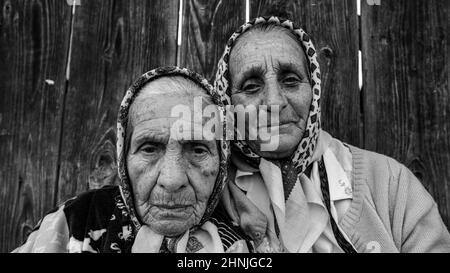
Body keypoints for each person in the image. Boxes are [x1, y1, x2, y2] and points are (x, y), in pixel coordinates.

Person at [213, 16, 450, 253]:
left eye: (291, 81)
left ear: (313, 90)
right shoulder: (206, 194)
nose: (274, 102)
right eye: (251, 87)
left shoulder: (391, 184)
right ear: (227, 103)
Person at [13, 66, 250, 253]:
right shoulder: (75, 221)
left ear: (221, 161)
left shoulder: (246, 240)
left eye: (198, 150)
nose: (172, 179)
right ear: (123, 159)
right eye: (150, 149)